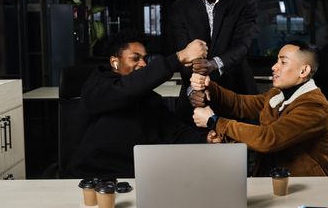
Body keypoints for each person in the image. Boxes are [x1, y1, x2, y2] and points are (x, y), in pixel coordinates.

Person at [66, 32, 219, 179]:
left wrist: (206, 137)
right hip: (89, 180)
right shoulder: (98, 87)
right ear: (115, 62)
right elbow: (125, 89)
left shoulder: (149, 98)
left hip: (136, 179)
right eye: (135, 58)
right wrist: (178, 57)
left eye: (145, 59)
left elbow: (175, 132)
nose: (143, 64)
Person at [191, 40, 328, 177]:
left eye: (283, 62)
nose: (274, 67)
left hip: (303, 187)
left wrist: (214, 122)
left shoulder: (314, 106)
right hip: (273, 180)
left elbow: (268, 139)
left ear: (303, 71)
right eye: (277, 61)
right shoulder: (277, 95)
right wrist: (211, 88)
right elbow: (239, 104)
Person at [170, 0, 258, 125]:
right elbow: (184, 56)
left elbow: (242, 46)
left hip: (237, 91)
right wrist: (193, 91)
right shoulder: (180, 8)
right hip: (197, 96)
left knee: (240, 150)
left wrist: (214, 63)